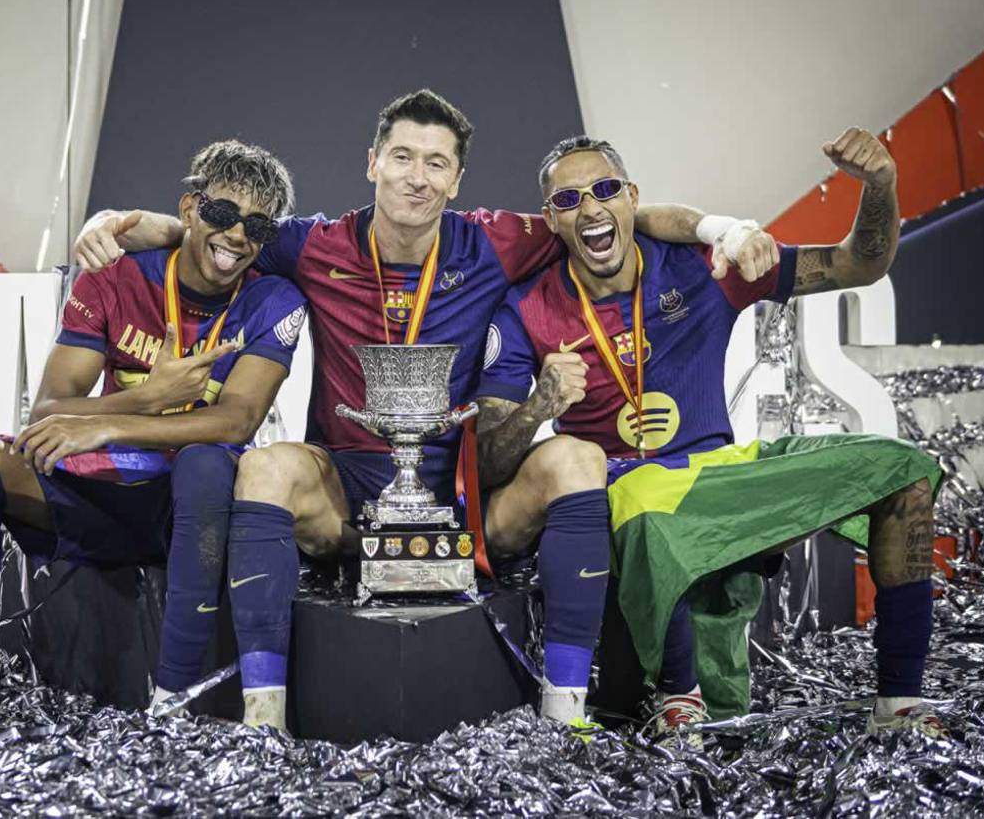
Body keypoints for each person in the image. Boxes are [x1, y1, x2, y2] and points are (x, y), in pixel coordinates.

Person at [73, 89, 775, 731]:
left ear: (457, 181)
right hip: (344, 491)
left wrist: (723, 229)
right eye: (403, 157)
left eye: (437, 163)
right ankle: (265, 718)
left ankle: (564, 713)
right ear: (373, 162)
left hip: (463, 498)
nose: (418, 176)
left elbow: (617, 211)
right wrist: (116, 224)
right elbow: (215, 230)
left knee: (577, 457)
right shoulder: (315, 244)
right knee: (264, 470)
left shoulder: (498, 240)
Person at [475, 129, 943, 745]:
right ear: (551, 220)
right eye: (569, 200)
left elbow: (862, 262)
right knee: (641, 500)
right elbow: (486, 458)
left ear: (630, 198)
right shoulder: (525, 310)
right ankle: (678, 696)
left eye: (605, 190)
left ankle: (901, 698)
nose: (590, 208)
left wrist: (881, 186)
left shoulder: (704, 267)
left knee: (904, 471)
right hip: (625, 496)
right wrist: (540, 404)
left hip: (722, 475)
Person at [0, 140, 307, 728]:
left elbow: (237, 420)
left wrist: (108, 421)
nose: (236, 236)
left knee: (207, 462)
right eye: (220, 214)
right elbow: (49, 411)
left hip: (190, 513)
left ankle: (172, 705)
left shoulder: (273, 299)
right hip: (102, 494)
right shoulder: (114, 278)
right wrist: (146, 399)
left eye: (255, 226)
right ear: (189, 209)